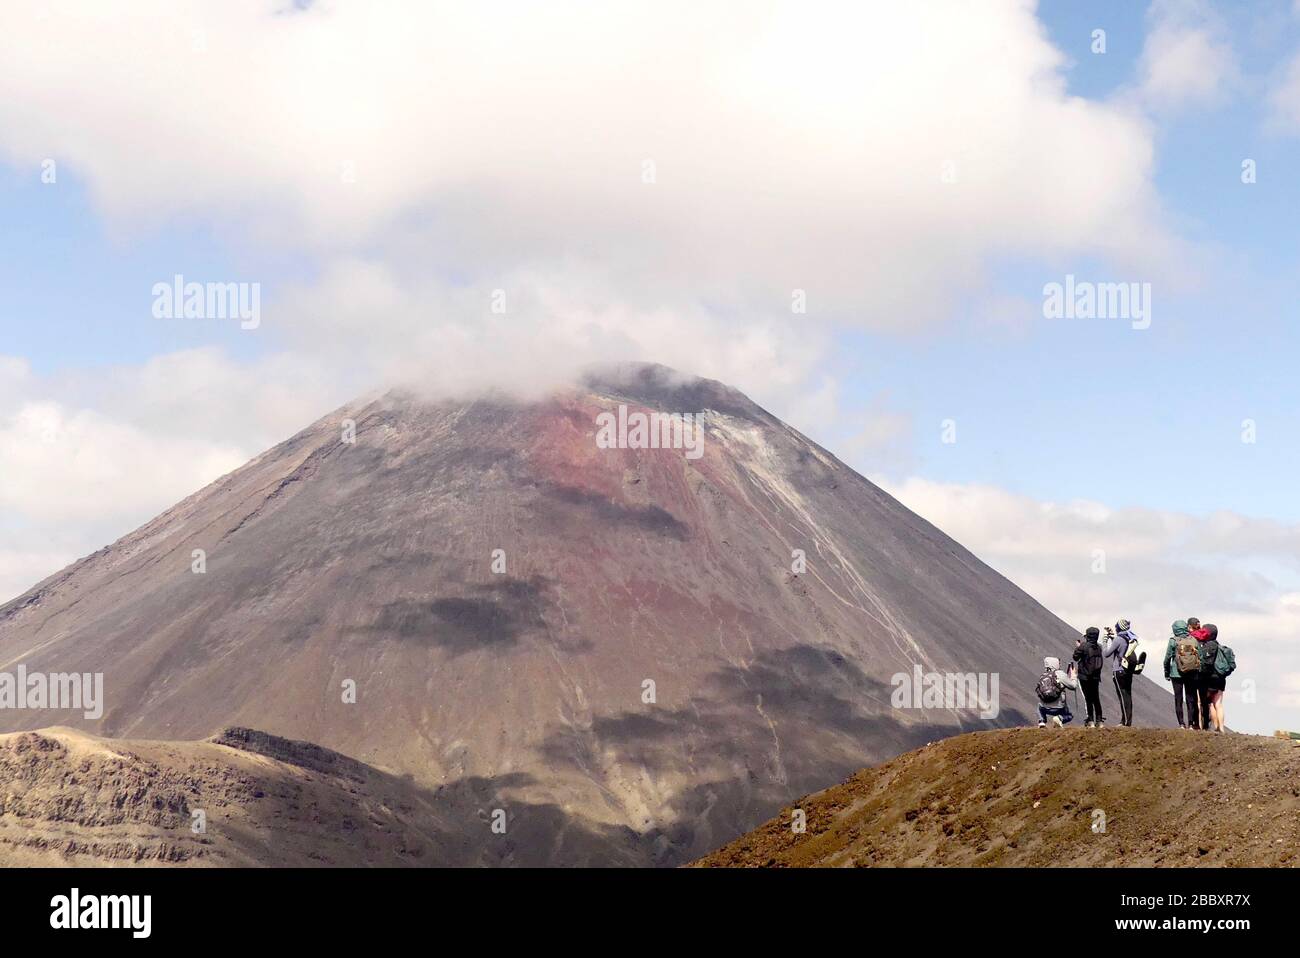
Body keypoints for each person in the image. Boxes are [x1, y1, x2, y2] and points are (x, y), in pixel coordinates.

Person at [1164, 620, 1201, 729]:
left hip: (1176, 674)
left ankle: (1181, 724)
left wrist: (1167, 673)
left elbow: (1167, 659)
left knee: (1178, 699)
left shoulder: (1173, 641)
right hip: (1191, 673)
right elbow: (1200, 657)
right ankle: (1191, 724)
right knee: (1190, 698)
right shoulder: (1193, 640)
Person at [1103, 619, 1137, 727]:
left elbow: (1106, 653)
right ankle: (1126, 720)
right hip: (1127, 671)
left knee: (1122, 696)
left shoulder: (1118, 639)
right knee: (1127, 695)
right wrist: (1113, 636)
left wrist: (1104, 640)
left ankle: (1125, 722)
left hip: (1119, 670)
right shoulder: (1128, 637)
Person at [1073, 627, 1106, 727]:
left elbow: (1075, 657)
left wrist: (1078, 647)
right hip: (1096, 677)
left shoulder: (1083, 646)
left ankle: (1091, 720)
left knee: (1088, 698)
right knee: (1096, 698)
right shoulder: (1099, 647)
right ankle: (1099, 721)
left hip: (1085, 677)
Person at [1198, 623, 1228, 733]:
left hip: (1208, 679)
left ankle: (1210, 727)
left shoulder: (1207, 647)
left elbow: (1205, 663)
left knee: (1207, 703)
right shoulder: (1221, 648)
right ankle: (1221, 728)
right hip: (1220, 679)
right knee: (1218, 704)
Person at [1035, 656, 1078, 727]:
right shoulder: (1060, 674)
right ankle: (1059, 718)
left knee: (1039, 706)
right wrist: (1073, 676)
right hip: (1059, 708)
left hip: (1044, 707)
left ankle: (1041, 721)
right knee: (1070, 715)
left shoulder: (1043, 675)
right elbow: (1073, 686)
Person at [1189, 616, 1215, 728]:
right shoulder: (1206, 638)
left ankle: (1195, 723)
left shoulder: (1191, 638)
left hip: (1194, 672)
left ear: (1190, 626)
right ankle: (1205, 725)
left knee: (1194, 698)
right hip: (1205, 673)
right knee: (1204, 699)